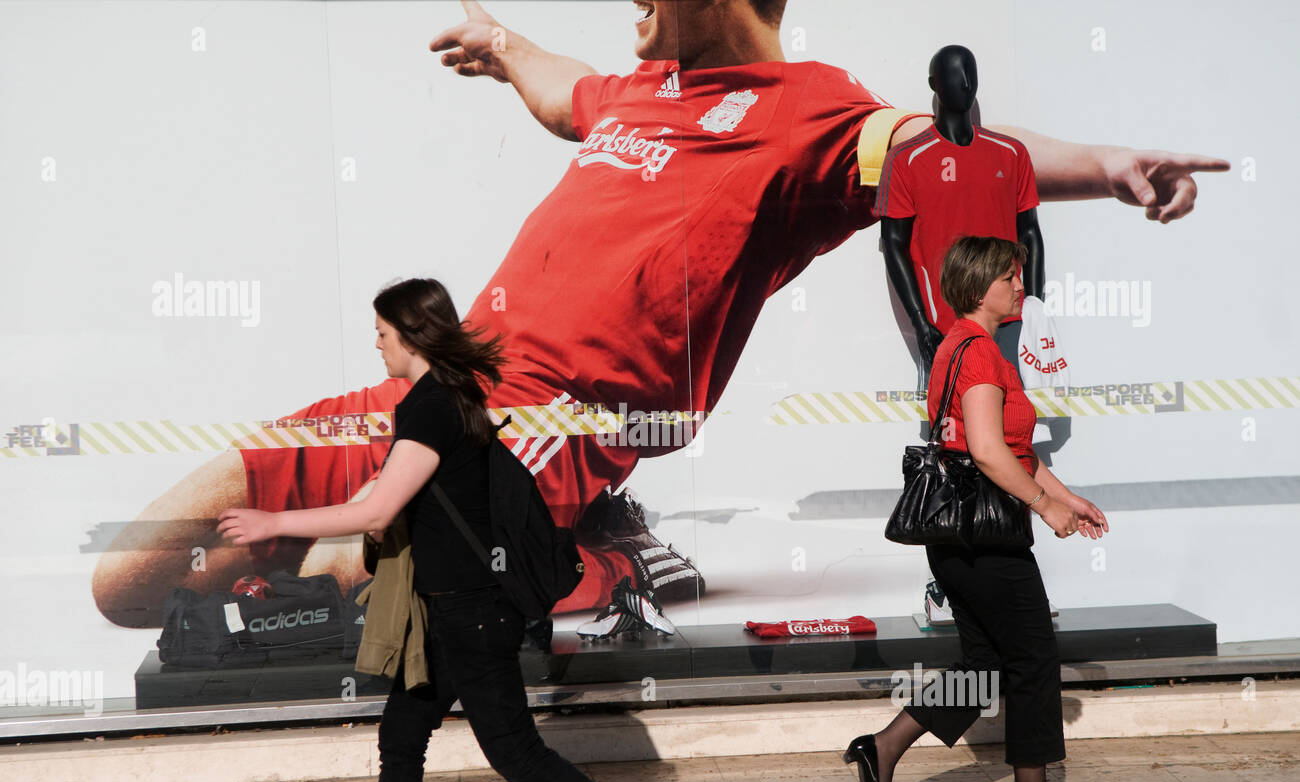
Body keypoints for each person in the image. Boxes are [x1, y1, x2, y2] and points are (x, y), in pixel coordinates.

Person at [93, 0, 1226, 630]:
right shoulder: (639, 93)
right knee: (125, 581)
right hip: (427, 392)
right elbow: (559, 83)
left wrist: (1113, 163)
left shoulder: (811, 119)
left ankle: (574, 562)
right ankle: (479, 567)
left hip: (537, 429)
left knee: (364, 578)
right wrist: (502, 50)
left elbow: (952, 154)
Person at [218, 278, 676, 782]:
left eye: (382, 333)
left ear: (411, 335)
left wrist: (272, 522)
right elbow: (414, 502)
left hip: (473, 612)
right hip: (447, 610)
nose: (376, 344)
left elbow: (378, 507)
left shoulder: (433, 407)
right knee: (402, 738)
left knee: (516, 753)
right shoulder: (441, 397)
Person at [844, 236, 1109, 782]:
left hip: (964, 534)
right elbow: (988, 453)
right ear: (979, 286)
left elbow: (1007, 448)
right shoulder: (981, 353)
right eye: (1010, 278)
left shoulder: (965, 348)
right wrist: (1044, 507)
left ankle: (884, 747)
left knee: (986, 663)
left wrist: (1069, 497)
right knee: (1034, 659)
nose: (1021, 286)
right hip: (986, 536)